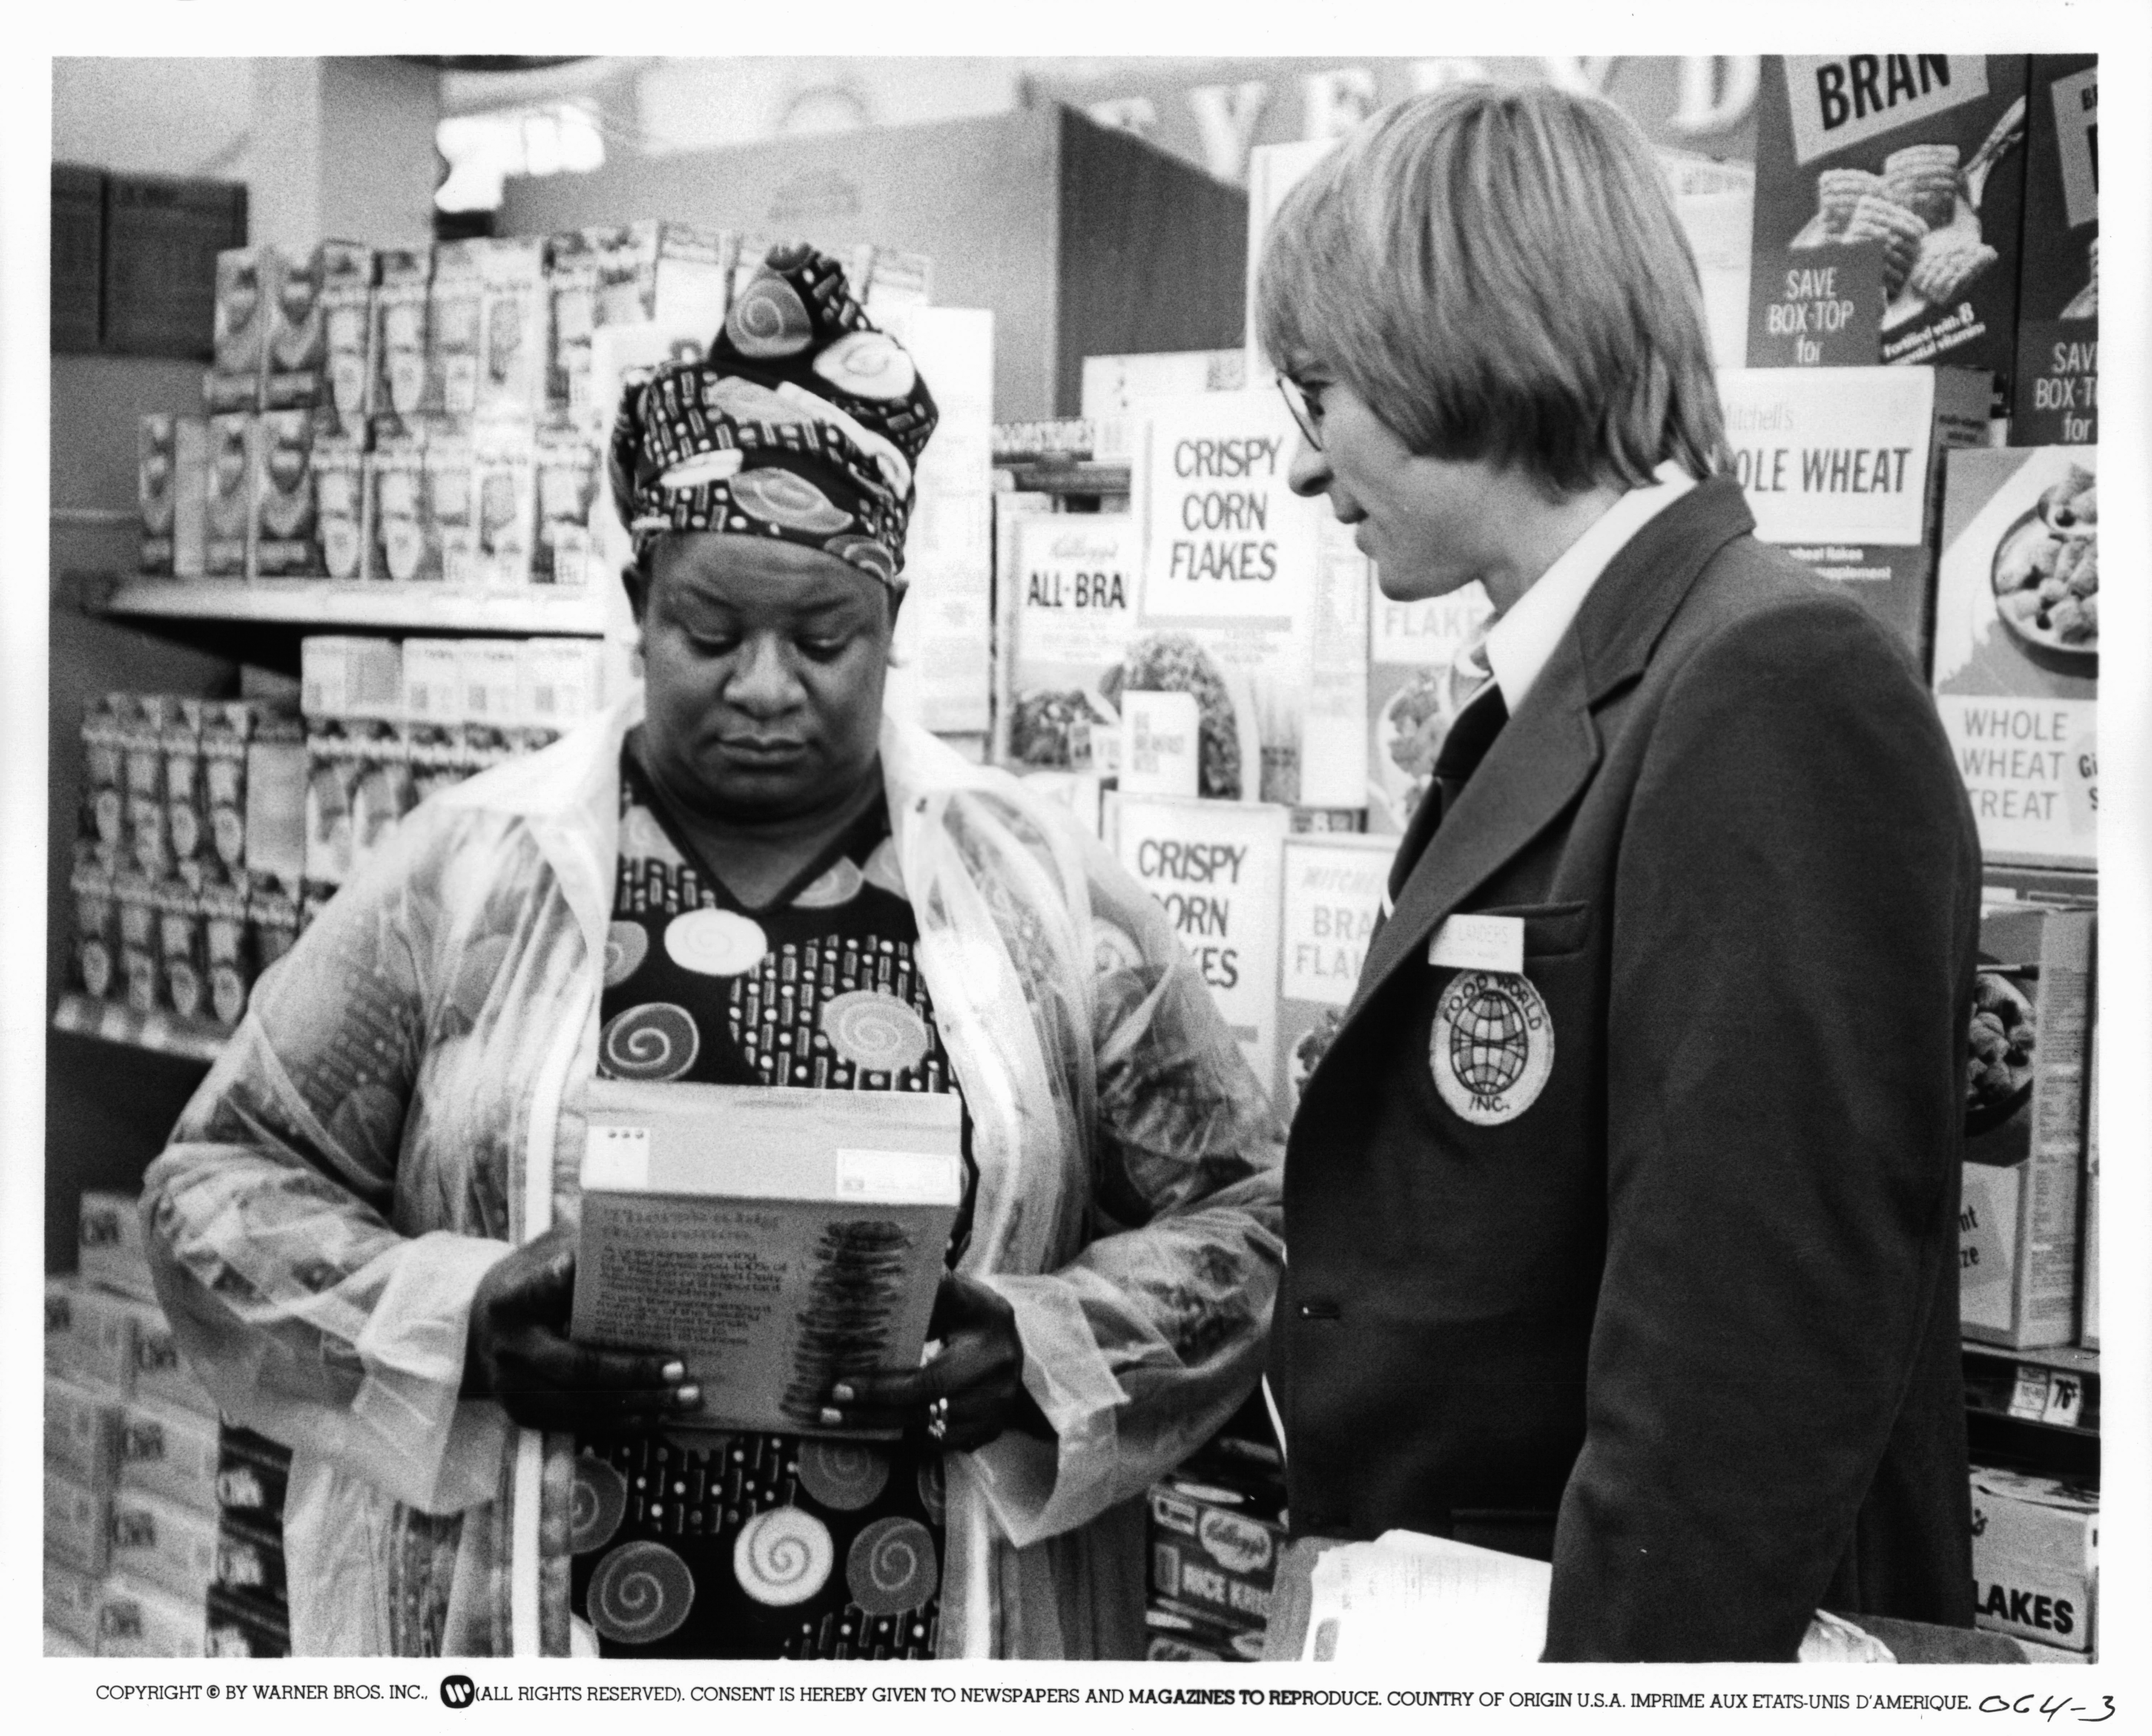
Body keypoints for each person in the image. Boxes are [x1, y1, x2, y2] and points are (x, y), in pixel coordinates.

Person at [141, 243, 1284, 1660]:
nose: (764, 687)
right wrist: (453, 1324)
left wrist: (1037, 1349)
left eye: (823, 638)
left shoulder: (1040, 892)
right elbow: (215, 1188)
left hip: (935, 1644)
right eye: (708, 629)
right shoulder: (467, 876)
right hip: (526, 1643)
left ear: (896, 625)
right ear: (637, 607)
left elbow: (1246, 1217)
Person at [1256, 85, 1981, 1661]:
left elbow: (1741, 1387)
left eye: (1321, 393)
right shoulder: (1593, 685)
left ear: (1458, 337)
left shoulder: (1767, 683)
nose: (1308, 469)